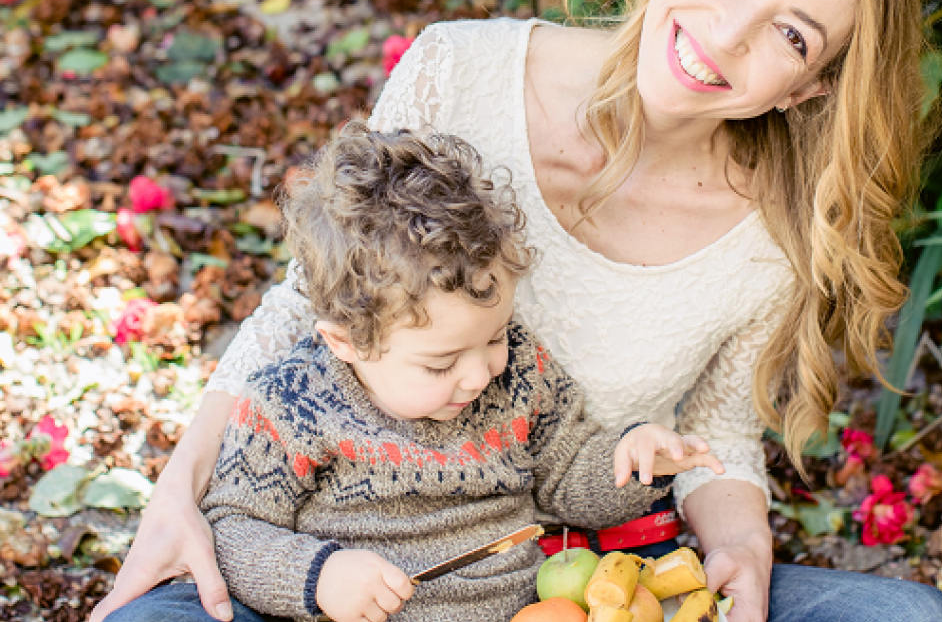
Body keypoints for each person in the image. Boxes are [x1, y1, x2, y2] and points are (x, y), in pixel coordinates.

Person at [90, 0, 942, 622]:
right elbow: (312, 303)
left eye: (790, 34)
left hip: (581, 577)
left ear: (808, 89)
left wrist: (741, 549)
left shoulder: (769, 229)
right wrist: (178, 492)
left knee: (907, 614)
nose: (728, 31)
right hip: (352, 561)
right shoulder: (460, 71)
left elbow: (716, 431)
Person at [104, 124, 724, 622]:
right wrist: (318, 577)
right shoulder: (295, 401)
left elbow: (564, 476)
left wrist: (630, 462)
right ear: (345, 343)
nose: (480, 373)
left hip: (516, 610)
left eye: (491, 338)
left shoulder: (520, 368)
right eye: (440, 362)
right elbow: (233, 525)